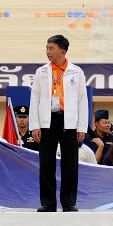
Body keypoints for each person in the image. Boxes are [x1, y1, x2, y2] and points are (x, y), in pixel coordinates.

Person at [29, 34, 88, 212]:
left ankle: (69, 202)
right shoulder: (42, 72)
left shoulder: (76, 72)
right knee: (46, 163)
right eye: (47, 48)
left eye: (51, 48)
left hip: (69, 120)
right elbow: (35, 98)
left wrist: (81, 127)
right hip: (48, 119)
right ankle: (48, 203)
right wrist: (35, 125)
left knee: (70, 163)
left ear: (62, 51)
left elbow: (82, 100)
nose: (47, 52)